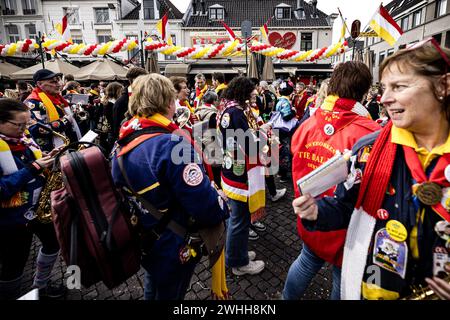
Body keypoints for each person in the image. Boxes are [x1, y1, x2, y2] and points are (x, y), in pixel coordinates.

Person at [293, 39, 450, 300]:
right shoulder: (369, 147)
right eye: (384, 88)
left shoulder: (322, 122)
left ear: (443, 86)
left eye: (398, 86)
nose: (385, 98)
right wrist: (316, 211)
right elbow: (346, 205)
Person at [111, 74, 228, 300]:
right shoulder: (171, 143)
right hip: (172, 241)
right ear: (167, 102)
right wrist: (221, 203)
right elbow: (203, 202)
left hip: (144, 234)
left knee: (153, 282)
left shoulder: (124, 137)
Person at [284, 61, 380, 300]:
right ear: (364, 91)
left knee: (306, 261)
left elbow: (294, 151)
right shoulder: (369, 132)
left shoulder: (309, 122)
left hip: (310, 212)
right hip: (344, 225)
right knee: (342, 277)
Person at [0, 98, 64, 299]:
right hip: (11, 219)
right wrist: (33, 168)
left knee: (53, 243)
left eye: (27, 124)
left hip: (38, 208)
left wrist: (45, 157)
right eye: (19, 125)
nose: (25, 129)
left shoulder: (24, 140)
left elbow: (32, 161)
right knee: (14, 263)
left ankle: (39, 288)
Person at [218, 76, 269, 275]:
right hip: (240, 173)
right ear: (243, 92)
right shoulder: (236, 113)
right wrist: (263, 134)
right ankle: (238, 262)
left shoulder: (226, 108)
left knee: (235, 218)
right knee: (240, 219)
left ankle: (236, 253)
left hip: (230, 168)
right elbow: (250, 145)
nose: (254, 93)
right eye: (252, 90)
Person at [24, 69, 80, 152]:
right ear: (39, 84)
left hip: (69, 145)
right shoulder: (31, 102)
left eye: (57, 81)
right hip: (51, 151)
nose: (58, 85)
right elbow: (35, 129)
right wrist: (65, 121)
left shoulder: (57, 98)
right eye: (52, 82)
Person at [112, 67, 148, 142]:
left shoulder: (145, 96)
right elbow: (117, 130)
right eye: (144, 80)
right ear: (135, 80)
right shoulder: (121, 102)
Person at [96, 82, 123, 154]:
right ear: (116, 91)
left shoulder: (105, 101)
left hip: (105, 132)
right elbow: (114, 120)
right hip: (111, 132)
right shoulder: (113, 104)